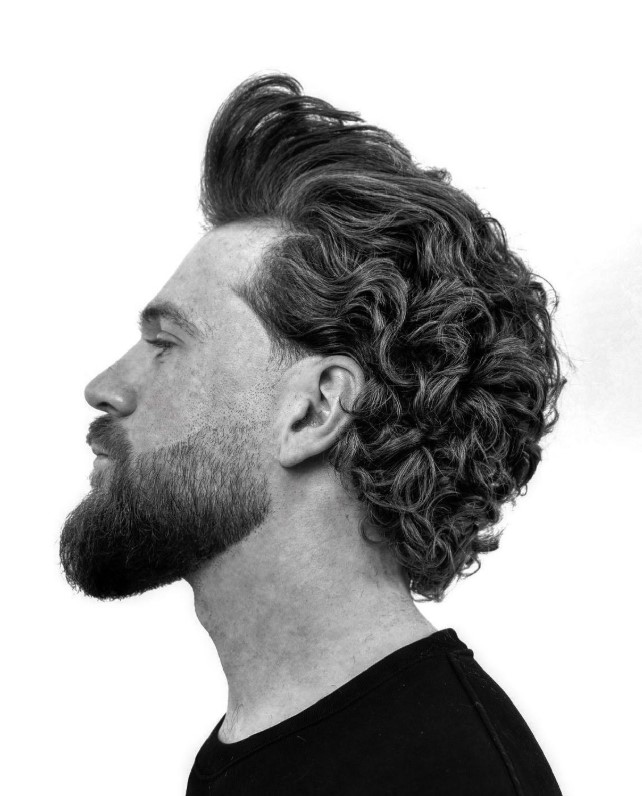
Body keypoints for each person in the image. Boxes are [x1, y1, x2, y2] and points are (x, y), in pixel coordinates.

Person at [59, 74, 566, 795]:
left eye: (167, 345)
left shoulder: (445, 778)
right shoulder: (260, 744)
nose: (105, 386)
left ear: (314, 411)